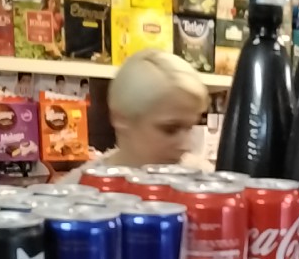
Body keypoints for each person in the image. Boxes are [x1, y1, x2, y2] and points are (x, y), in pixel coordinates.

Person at [59, 49, 212, 182]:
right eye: (170, 129)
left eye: (190, 128)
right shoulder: (76, 192)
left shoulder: (204, 179)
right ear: (121, 119)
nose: (186, 146)